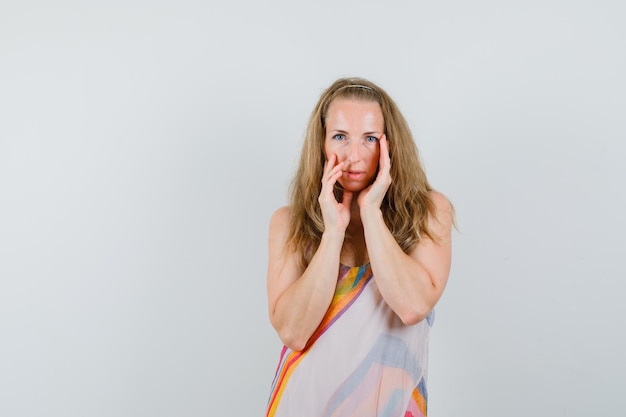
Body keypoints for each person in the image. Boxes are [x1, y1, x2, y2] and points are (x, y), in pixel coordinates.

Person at [265, 77, 453, 417]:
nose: (354, 155)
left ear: (390, 144)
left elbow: (412, 307)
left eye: (369, 139)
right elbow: (293, 332)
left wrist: (370, 212)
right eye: (340, 136)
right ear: (321, 142)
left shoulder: (429, 212)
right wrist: (332, 234)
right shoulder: (288, 223)